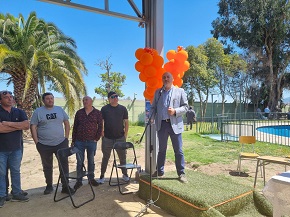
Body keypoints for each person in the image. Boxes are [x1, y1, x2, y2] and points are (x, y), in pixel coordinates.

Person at [30, 92, 75, 195]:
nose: (50, 100)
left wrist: (66, 138)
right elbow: (33, 126)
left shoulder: (59, 109)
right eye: (47, 99)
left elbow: (67, 123)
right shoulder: (38, 112)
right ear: (43, 101)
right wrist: (37, 142)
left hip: (61, 143)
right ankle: (49, 186)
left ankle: (65, 186)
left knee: (64, 165)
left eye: (52, 98)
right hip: (44, 145)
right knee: (47, 166)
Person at [150, 72, 189, 183]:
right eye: (164, 77)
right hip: (162, 125)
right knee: (161, 150)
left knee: (178, 150)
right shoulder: (158, 92)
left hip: (175, 125)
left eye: (168, 77)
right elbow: (153, 108)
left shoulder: (180, 91)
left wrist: (175, 111)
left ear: (172, 79)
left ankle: (181, 173)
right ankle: (159, 171)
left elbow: (186, 107)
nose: (166, 79)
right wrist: (151, 117)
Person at [0, 90, 30, 208]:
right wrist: (17, 126)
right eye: (6, 97)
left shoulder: (19, 111)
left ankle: (16, 193)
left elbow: (26, 126)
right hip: (1, 149)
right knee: (1, 173)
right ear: (0, 100)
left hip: (16, 148)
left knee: (16, 171)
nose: (9, 99)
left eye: (11, 97)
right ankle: (2, 195)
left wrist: (7, 123)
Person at [97, 91, 129, 184]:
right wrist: (102, 132)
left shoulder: (123, 109)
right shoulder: (104, 109)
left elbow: (126, 122)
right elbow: (101, 121)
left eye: (116, 96)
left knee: (122, 157)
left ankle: (125, 174)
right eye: (113, 97)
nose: (115, 98)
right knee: (105, 157)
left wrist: (125, 135)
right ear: (109, 99)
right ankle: (102, 176)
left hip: (120, 137)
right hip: (107, 138)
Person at [71, 96, 103, 190]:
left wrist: (96, 138)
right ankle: (79, 181)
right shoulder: (79, 113)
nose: (84, 101)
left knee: (91, 161)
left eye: (86, 100)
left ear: (91, 101)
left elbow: (100, 126)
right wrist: (73, 140)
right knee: (79, 162)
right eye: (83, 100)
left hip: (91, 142)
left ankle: (91, 179)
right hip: (79, 141)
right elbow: (75, 127)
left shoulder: (97, 113)